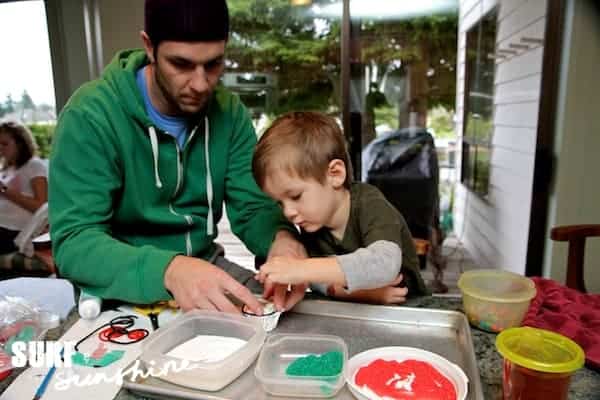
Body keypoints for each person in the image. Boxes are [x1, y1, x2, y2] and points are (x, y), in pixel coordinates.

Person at [49, 0, 306, 314]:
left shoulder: (231, 114)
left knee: (296, 320)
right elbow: (75, 244)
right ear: (149, 47)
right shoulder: (90, 115)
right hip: (117, 290)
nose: (200, 84)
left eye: (213, 64)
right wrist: (170, 270)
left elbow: (254, 208)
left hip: (207, 266)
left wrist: (282, 240)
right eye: (181, 64)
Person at [253, 111, 429, 304]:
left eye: (295, 196)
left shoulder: (369, 204)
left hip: (412, 310)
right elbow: (319, 282)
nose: (288, 212)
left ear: (335, 174)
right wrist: (362, 294)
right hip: (355, 310)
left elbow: (385, 264)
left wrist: (300, 268)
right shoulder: (312, 224)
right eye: (280, 202)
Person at [0, 121, 48, 254]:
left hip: (15, 231)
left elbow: (42, 206)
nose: (0, 148)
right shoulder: (6, 169)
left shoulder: (34, 165)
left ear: (20, 144)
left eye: (5, 144)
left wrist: (4, 190)